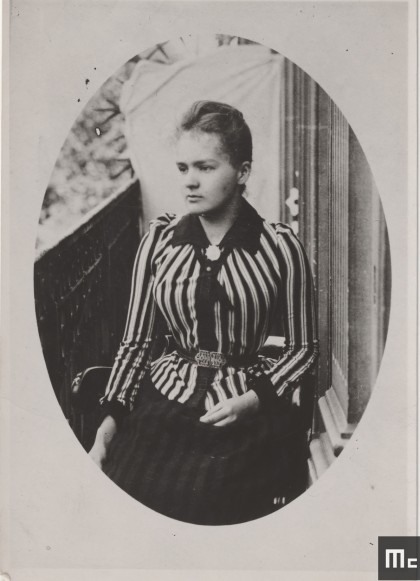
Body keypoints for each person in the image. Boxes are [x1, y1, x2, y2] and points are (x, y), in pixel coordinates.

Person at [89, 100, 319, 525]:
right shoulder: (159, 242)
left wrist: (255, 400)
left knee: (211, 500)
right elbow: (136, 343)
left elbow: (304, 349)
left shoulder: (281, 246)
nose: (190, 182)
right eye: (182, 169)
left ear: (242, 172)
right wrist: (106, 430)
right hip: (165, 400)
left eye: (205, 167)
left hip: (242, 410)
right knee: (129, 491)